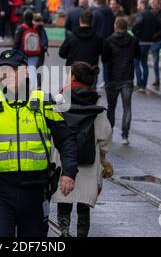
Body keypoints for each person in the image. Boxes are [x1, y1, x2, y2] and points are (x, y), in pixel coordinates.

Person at [0, 49, 77, 237]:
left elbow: (66, 139)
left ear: (26, 71)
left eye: (12, 70)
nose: (6, 75)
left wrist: (69, 172)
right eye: (3, 70)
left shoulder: (44, 103)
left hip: (35, 192)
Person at [52, 61, 113, 237]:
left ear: (72, 77)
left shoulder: (60, 97)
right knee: (83, 204)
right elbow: (104, 133)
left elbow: (50, 129)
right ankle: (81, 234)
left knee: (64, 197)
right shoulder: (97, 100)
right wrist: (103, 155)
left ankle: (63, 231)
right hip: (89, 159)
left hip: (62, 158)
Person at [102, 17, 140, 145]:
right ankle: (125, 135)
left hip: (113, 77)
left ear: (116, 26)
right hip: (127, 77)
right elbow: (137, 55)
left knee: (111, 107)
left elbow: (104, 59)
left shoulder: (109, 40)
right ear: (126, 27)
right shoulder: (133, 40)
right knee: (127, 108)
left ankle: (109, 132)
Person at [132, 0, 161, 92]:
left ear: (142, 4)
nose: (137, 6)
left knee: (136, 63)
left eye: (138, 4)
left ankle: (140, 84)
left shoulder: (142, 14)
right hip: (149, 42)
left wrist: (136, 33)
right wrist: (152, 36)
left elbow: (136, 26)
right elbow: (159, 27)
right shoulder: (153, 14)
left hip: (140, 42)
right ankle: (143, 85)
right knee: (144, 63)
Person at [13, 10, 44, 90]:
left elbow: (16, 42)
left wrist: (13, 52)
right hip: (35, 54)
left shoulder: (21, 28)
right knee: (32, 71)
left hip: (23, 54)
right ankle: (32, 88)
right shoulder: (36, 28)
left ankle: (22, 89)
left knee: (22, 71)